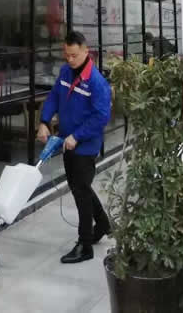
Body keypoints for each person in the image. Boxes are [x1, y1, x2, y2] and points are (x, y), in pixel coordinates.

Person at [37, 31, 112, 264]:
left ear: (85, 51)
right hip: (66, 141)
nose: (70, 59)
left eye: (74, 55)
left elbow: (101, 116)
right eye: (66, 55)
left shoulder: (97, 82)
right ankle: (103, 224)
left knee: (80, 192)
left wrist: (77, 136)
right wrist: (44, 121)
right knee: (81, 187)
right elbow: (54, 97)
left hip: (85, 146)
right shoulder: (65, 73)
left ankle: (85, 245)